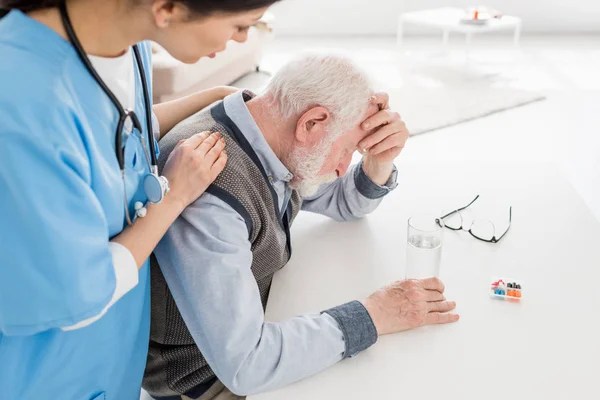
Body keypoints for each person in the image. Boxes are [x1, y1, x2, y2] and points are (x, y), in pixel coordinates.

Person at [0, 0, 281, 399]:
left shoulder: (124, 43)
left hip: (113, 360)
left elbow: (117, 127)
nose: (242, 39)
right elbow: (78, 291)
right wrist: (174, 196)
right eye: (240, 25)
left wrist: (217, 100)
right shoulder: (19, 104)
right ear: (166, 8)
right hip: (49, 375)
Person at [146, 53, 460, 400]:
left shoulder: (267, 130)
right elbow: (247, 365)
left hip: (261, 319)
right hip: (201, 377)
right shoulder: (212, 193)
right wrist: (375, 314)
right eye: (344, 151)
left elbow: (348, 203)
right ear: (311, 124)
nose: (343, 168)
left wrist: (377, 159)